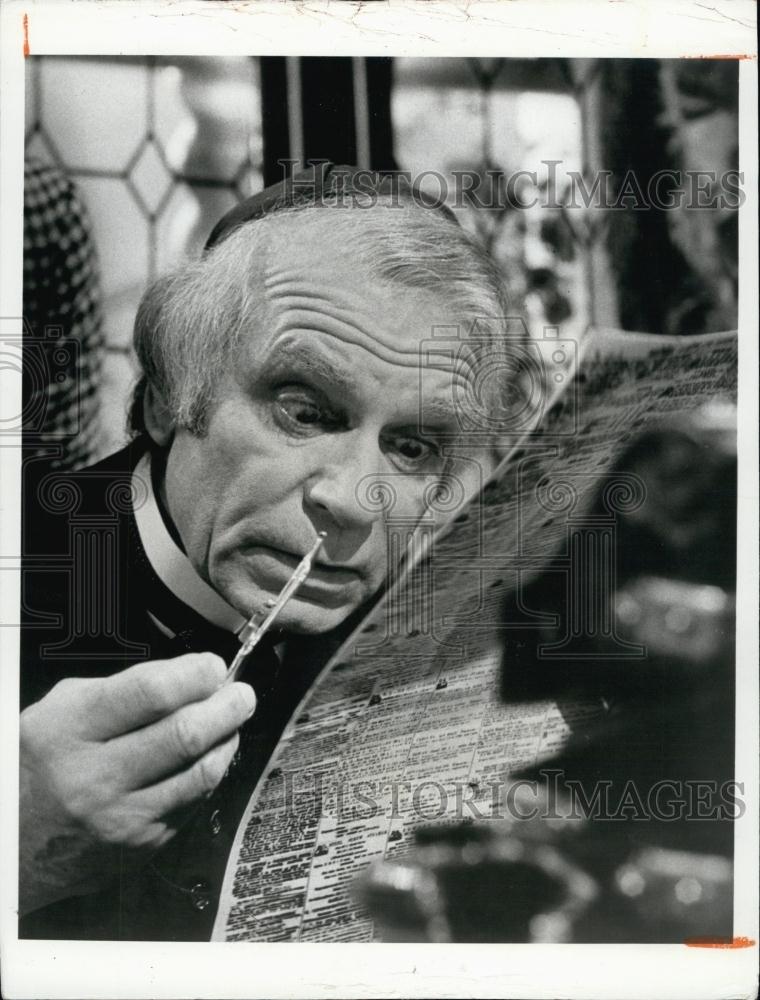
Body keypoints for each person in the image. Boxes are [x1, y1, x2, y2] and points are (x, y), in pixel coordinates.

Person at [19, 164, 517, 941]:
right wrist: (20, 846)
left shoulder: (436, 644)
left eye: (413, 446)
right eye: (305, 411)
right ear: (167, 401)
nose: (354, 501)